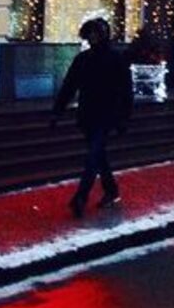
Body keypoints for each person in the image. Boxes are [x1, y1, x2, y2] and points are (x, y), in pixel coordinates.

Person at [52, 16, 133, 217]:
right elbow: (69, 86)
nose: (93, 38)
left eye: (97, 34)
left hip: (107, 115)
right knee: (98, 155)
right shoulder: (83, 59)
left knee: (93, 156)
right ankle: (111, 190)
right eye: (91, 34)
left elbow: (126, 91)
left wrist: (124, 118)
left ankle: (81, 196)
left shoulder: (116, 58)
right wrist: (58, 111)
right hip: (88, 114)